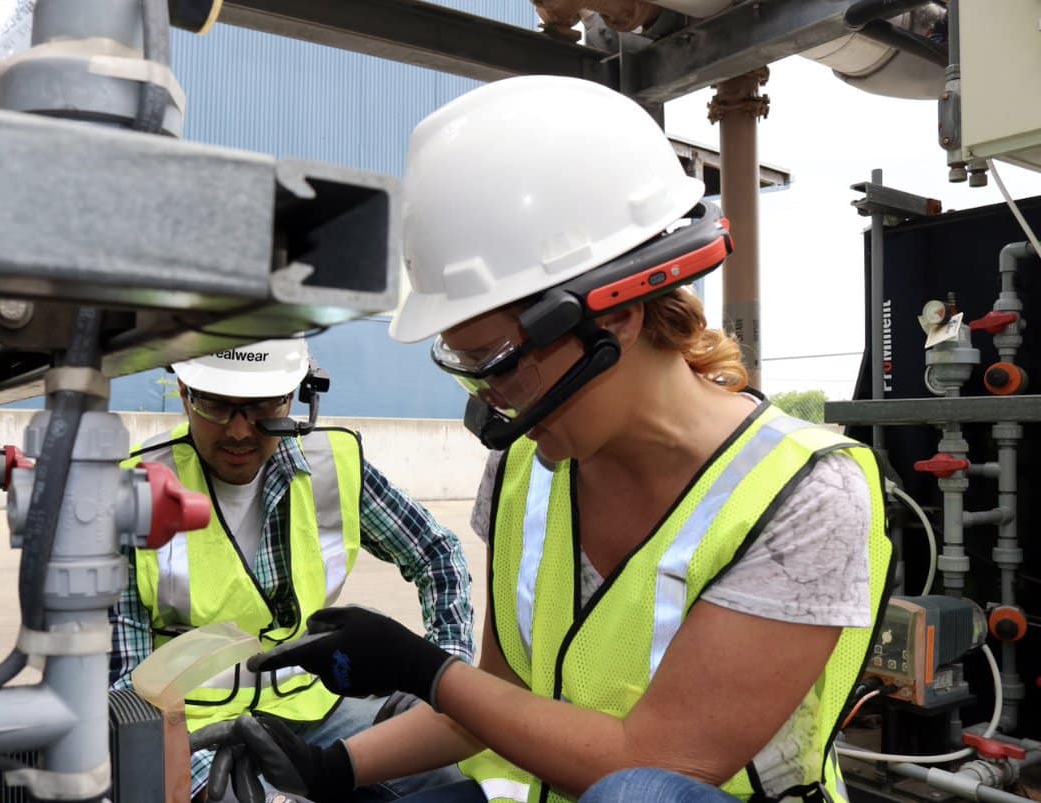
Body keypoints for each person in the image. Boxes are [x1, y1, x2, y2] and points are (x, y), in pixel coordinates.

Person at [198, 76, 894, 803]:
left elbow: (655, 761)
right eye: (465, 367)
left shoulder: (803, 493)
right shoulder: (527, 468)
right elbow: (499, 701)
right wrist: (329, 768)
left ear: (615, 315)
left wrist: (425, 667)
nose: (493, 399)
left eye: (495, 362)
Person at [108, 338, 476, 802]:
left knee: (441, 775)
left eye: (263, 407)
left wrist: (444, 677)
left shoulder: (329, 466)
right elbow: (127, 691)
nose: (240, 432)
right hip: (195, 731)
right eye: (218, 406)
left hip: (318, 708)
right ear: (185, 393)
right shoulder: (133, 492)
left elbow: (436, 552)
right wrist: (205, 782)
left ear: (296, 394)